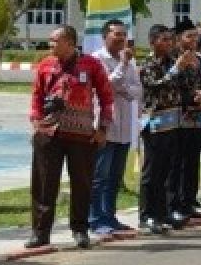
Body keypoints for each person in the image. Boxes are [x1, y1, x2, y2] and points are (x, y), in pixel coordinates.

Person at [27, 25, 114, 250]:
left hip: (82, 134)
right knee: (44, 183)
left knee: (82, 183)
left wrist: (102, 128)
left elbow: (106, 97)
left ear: (69, 42)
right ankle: (40, 232)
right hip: (48, 133)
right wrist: (36, 121)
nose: (50, 45)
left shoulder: (91, 65)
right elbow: (36, 94)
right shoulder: (46, 65)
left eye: (54, 41)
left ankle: (80, 230)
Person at [89, 19, 142, 235]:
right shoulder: (96, 60)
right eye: (117, 34)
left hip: (124, 127)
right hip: (104, 126)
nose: (122, 38)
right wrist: (122, 68)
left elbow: (138, 91)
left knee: (114, 177)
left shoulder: (130, 61)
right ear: (105, 36)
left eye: (124, 34)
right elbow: (106, 86)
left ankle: (110, 217)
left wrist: (123, 88)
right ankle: (95, 218)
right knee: (99, 176)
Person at [139, 24, 183, 234]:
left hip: (172, 122)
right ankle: (146, 215)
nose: (168, 44)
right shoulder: (148, 63)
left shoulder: (172, 62)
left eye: (170, 40)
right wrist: (175, 71)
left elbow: (182, 86)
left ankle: (161, 212)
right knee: (152, 170)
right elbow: (154, 86)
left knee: (166, 170)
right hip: (154, 122)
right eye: (163, 40)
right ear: (153, 42)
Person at [168, 17, 201, 224]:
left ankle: (189, 202)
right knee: (177, 164)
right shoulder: (174, 59)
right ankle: (174, 205)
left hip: (196, 119)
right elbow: (170, 86)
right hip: (178, 118)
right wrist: (192, 99)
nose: (193, 40)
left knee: (192, 163)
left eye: (195, 36)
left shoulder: (200, 61)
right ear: (178, 39)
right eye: (189, 36)